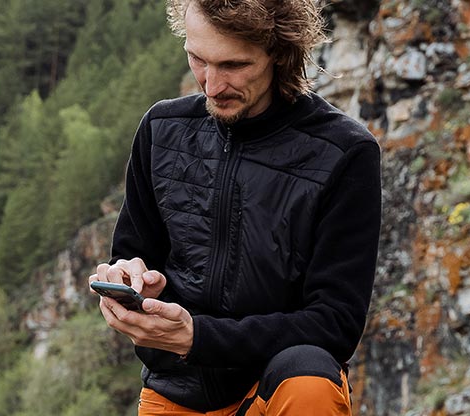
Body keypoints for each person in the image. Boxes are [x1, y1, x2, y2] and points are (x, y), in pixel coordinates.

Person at [88, 0, 381, 414]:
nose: (211, 85)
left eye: (233, 65)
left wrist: (199, 337)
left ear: (280, 53)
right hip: (176, 389)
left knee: (309, 374)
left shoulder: (344, 152)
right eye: (197, 59)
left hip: (277, 389)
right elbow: (133, 248)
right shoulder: (161, 129)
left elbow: (334, 324)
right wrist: (130, 277)